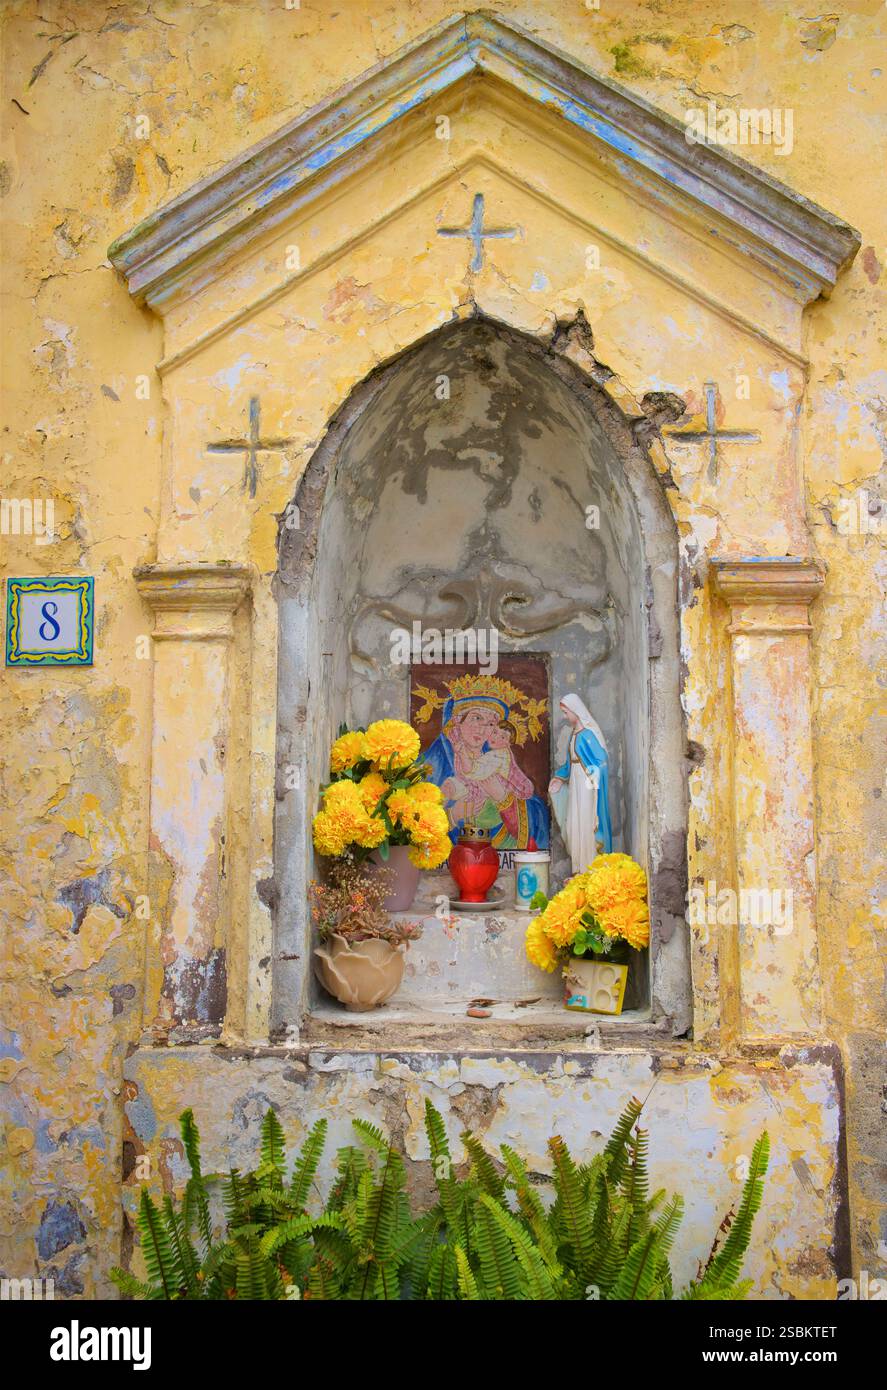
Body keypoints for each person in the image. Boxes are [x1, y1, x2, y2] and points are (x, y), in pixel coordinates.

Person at [549, 693, 612, 873]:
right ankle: (578, 868)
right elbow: (570, 764)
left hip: (587, 786)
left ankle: (589, 869)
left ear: (576, 710)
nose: (564, 716)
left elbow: (601, 761)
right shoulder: (573, 734)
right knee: (573, 825)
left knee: (585, 822)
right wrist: (559, 779)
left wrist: (592, 777)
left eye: (566, 712)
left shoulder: (588, 735)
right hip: (576, 783)